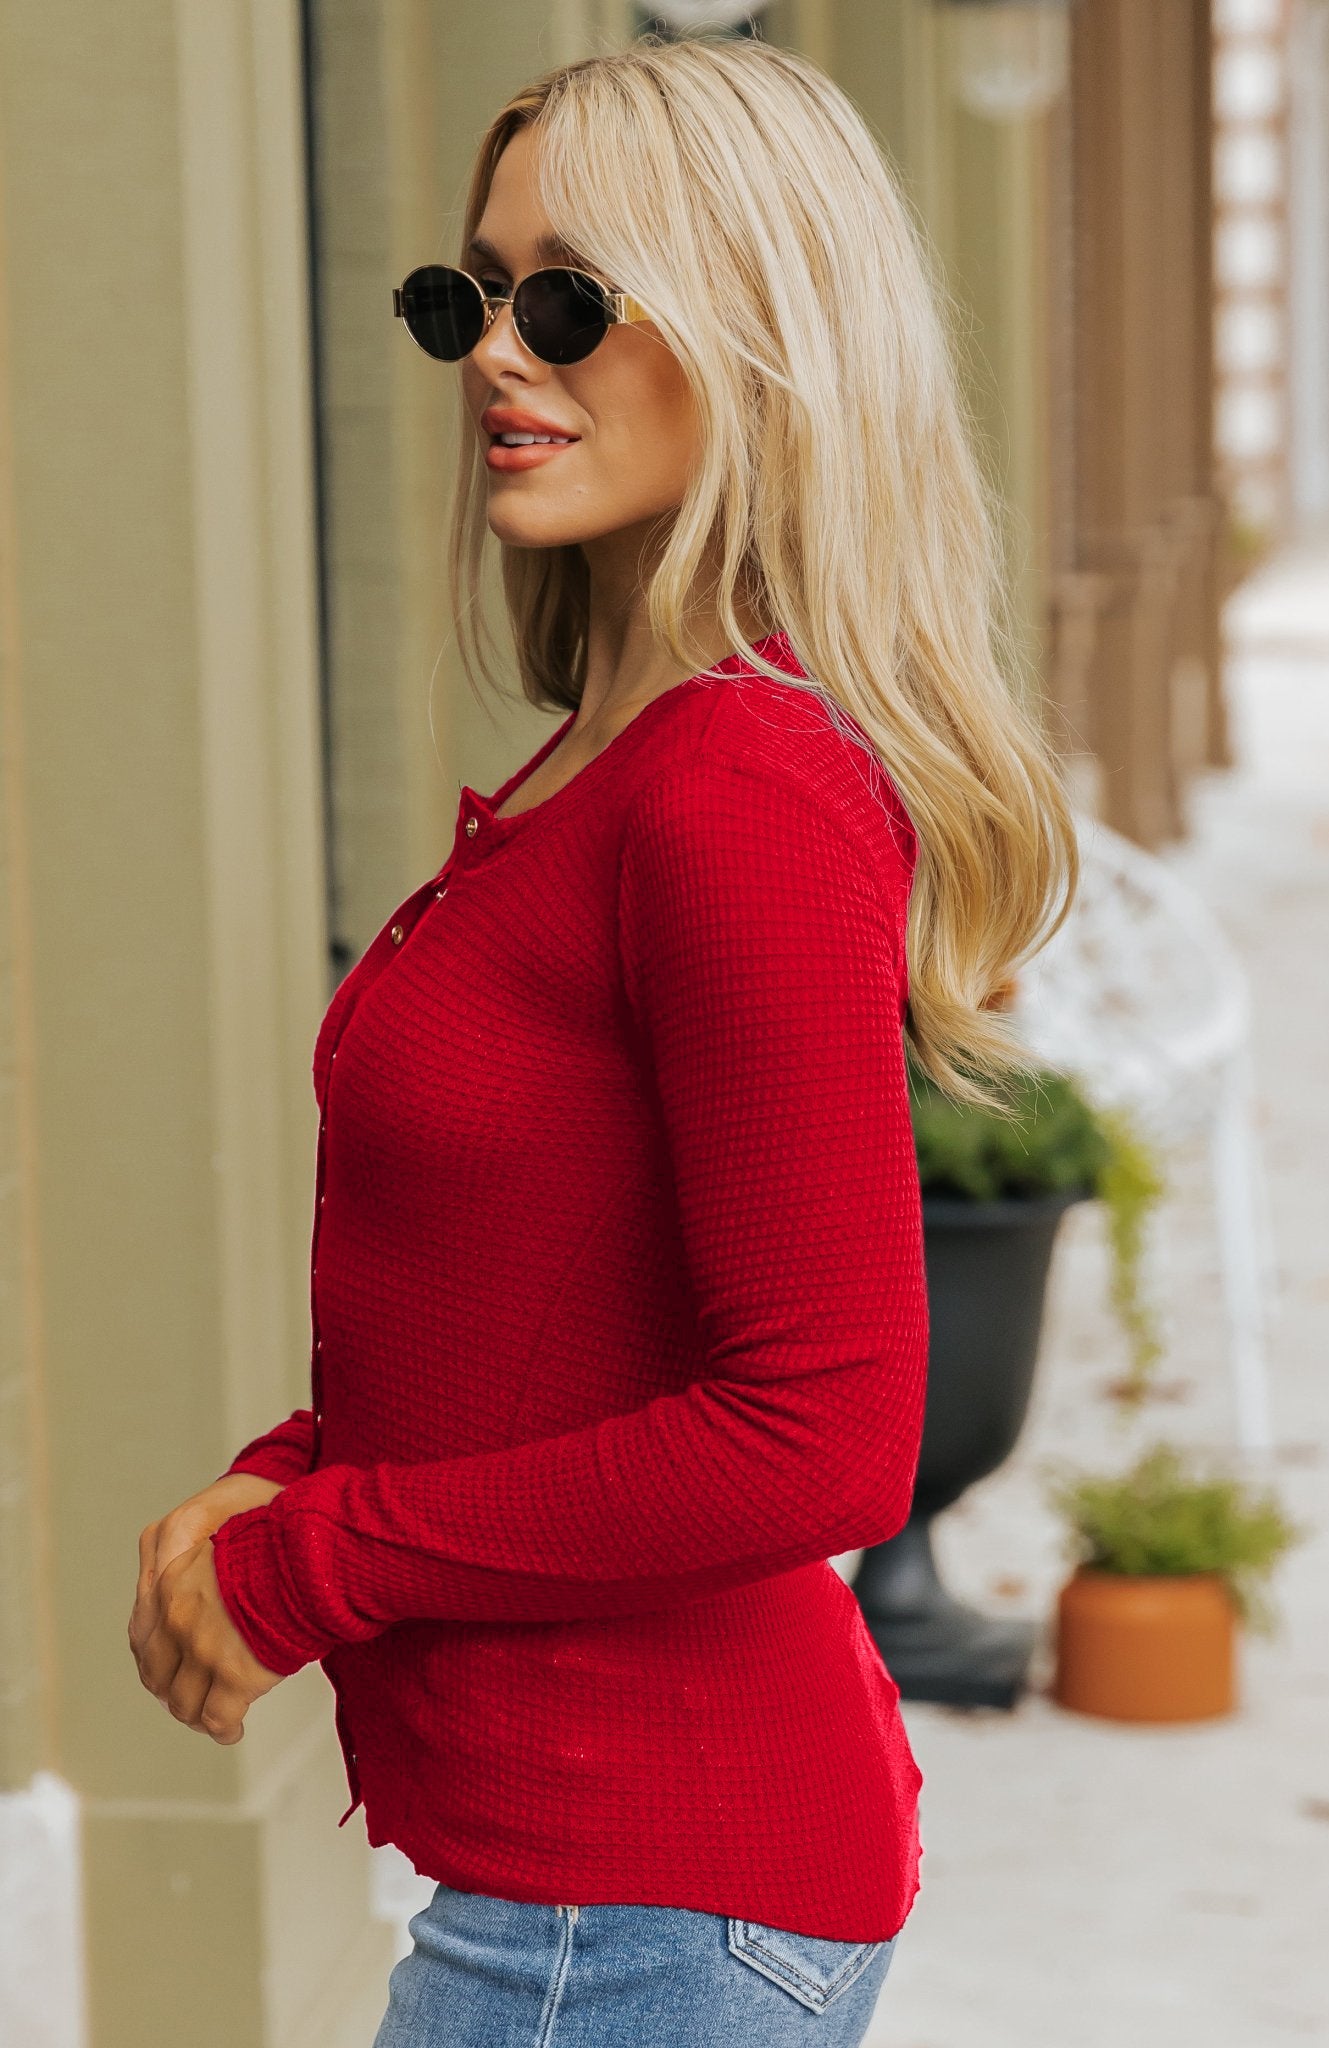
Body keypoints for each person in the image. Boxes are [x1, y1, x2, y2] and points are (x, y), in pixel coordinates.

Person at [129, 33, 1076, 2046]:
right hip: (596, 1895)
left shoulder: (735, 790)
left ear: (759, 334)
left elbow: (817, 1432)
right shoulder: (620, 764)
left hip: (634, 1908)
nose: (494, 348)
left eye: (566, 296)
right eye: (467, 293)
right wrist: (276, 1488)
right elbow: (538, 1304)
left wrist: (320, 1558)